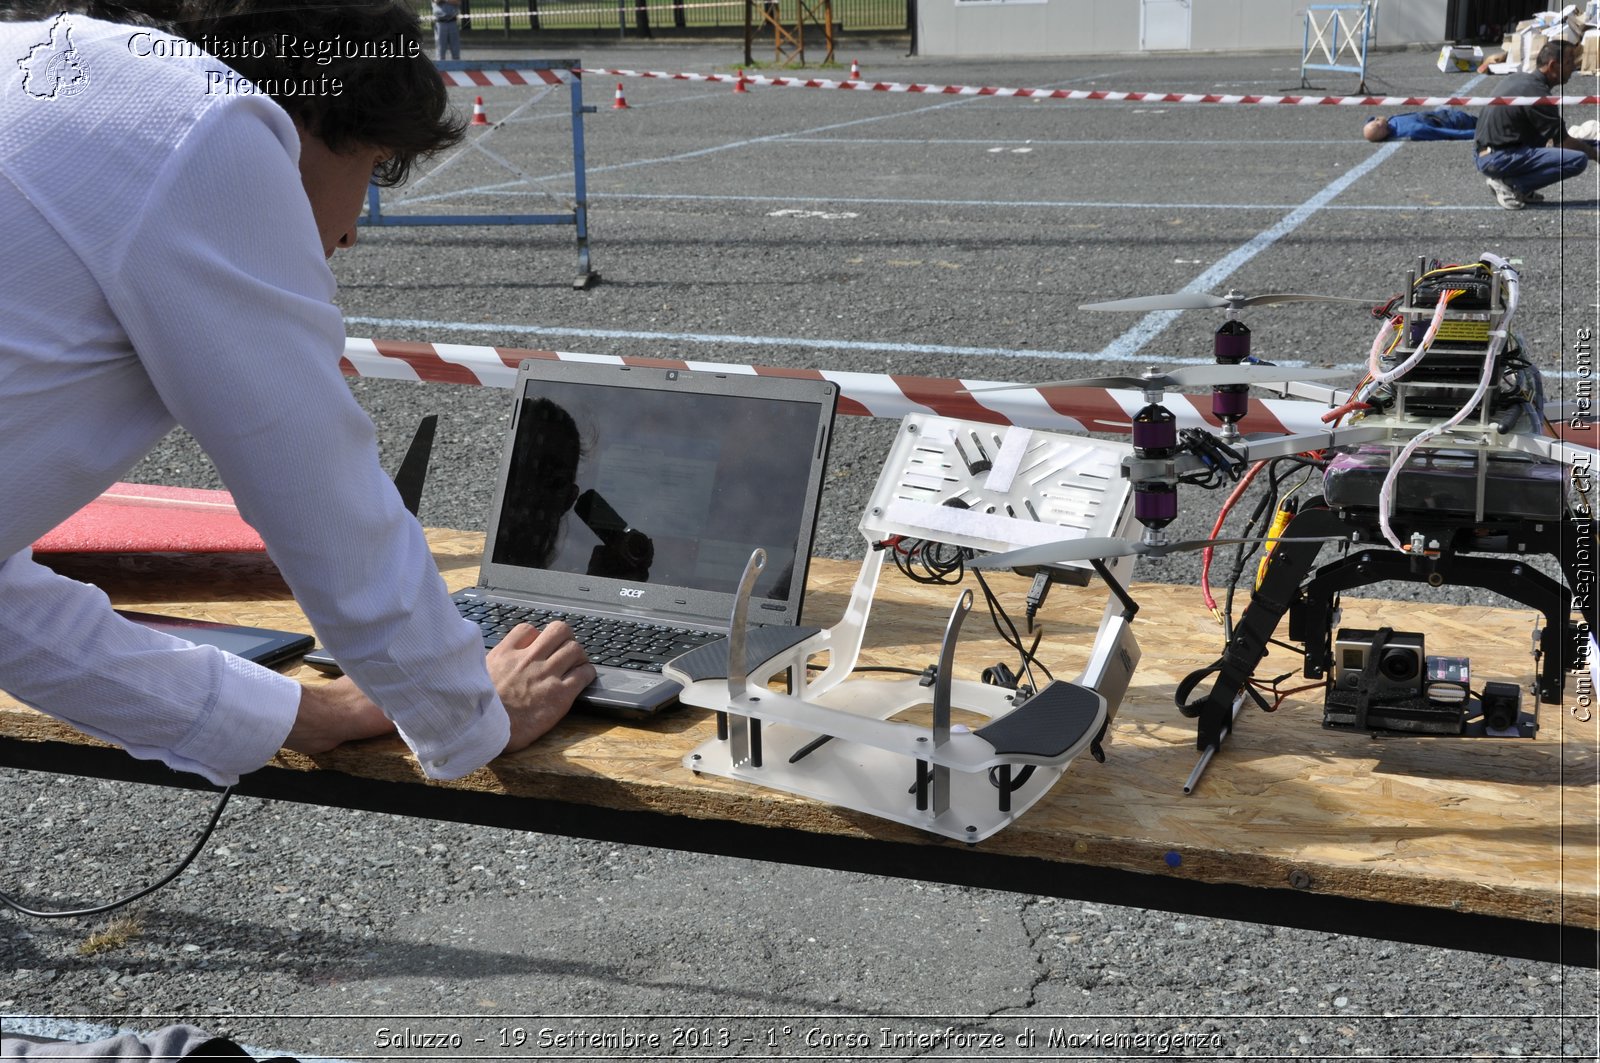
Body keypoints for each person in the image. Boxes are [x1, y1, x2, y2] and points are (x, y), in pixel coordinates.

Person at [0, 2, 595, 796]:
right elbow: (320, 491)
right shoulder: (205, 126)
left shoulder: (37, 64)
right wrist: (471, 716)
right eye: (376, 166)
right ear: (316, 112)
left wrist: (297, 713)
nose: (350, 232)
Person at [1474, 37, 1599, 209]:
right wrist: (1595, 154)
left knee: (1573, 145)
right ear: (1553, 65)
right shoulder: (1537, 94)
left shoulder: (1520, 79)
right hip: (1498, 158)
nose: (1574, 68)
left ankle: (1516, 182)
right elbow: (1563, 142)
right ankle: (1512, 185)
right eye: (1570, 63)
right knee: (1578, 159)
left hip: (1489, 152)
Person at [1362, 108, 1477, 142]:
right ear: (1382, 131)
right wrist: (1475, 134)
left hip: (1450, 116)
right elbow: (1443, 133)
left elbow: (1371, 125)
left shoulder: (1389, 124)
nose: (1376, 118)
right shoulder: (1411, 130)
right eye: (1376, 121)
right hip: (1457, 122)